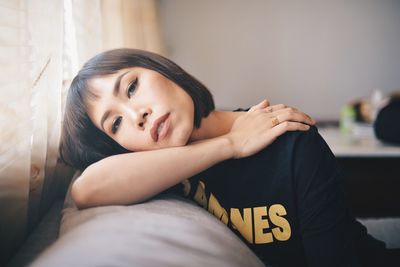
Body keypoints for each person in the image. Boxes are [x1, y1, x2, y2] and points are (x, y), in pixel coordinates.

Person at [59, 48, 394, 267]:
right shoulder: (161, 171)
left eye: (131, 87)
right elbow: (86, 189)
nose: (137, 116)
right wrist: (230, 144)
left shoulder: (288, 139)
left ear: (161, 68)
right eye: (116, 123)